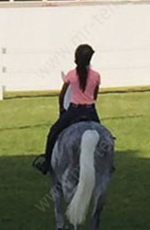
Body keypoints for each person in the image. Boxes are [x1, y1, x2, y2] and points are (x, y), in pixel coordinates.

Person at [33, 44, 101, 175]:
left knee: (53, 132)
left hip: (74, 111)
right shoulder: (96, 76)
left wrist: (62, 110)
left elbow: (62, 95)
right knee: (104, 137)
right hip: (90, 111)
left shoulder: (71, 75)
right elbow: (95, 95)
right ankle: (107, 164)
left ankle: (46, 164)